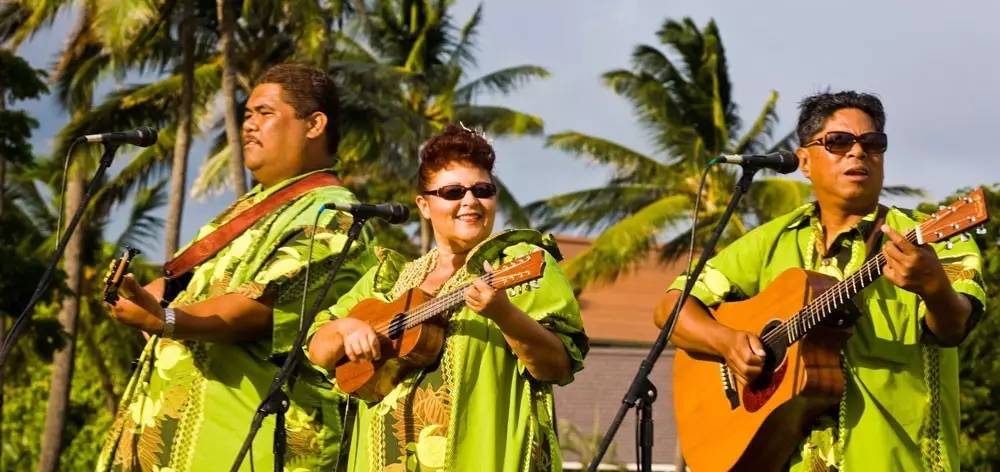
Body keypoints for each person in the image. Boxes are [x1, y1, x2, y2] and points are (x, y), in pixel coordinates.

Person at [657, 91, 986, 471]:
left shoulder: (932, 238)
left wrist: (934, 289)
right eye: (839, 142)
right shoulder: (771, 241)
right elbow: (671, 308)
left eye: (873, 143)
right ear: (804, 162)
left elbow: (954, 326)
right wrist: (729, 343)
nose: (858, 152)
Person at [97, 63, 376, 471]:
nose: (249, 126)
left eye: (265, 114)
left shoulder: (336, 214)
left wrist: (168, 319)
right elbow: (181, 282)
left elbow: (263, 307)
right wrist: (147, 294)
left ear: (314, 124)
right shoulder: (245, 210)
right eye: (246, 115)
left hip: (246, 446)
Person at [307, 124, 589, 471]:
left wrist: (504, 314)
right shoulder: (390, 277)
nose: (470, 201)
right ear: (424, 205)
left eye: (482, 190)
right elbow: (318, 349)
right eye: (453, 192)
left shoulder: (518, 262)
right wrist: (346, 329)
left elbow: (556, 365)